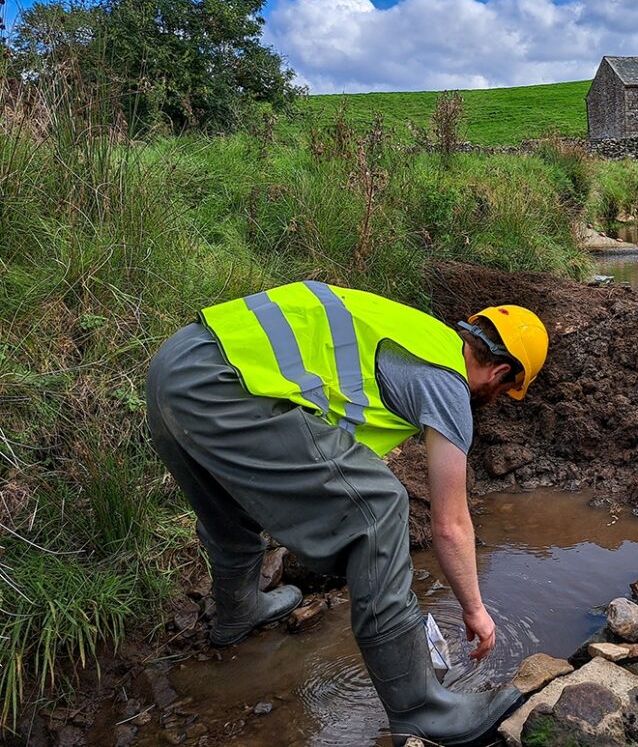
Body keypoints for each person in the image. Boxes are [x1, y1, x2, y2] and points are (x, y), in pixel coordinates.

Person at [144, 280, 549, 745]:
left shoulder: (417, 332)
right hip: (224, 385)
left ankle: (239, 610)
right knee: (378, 508)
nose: (495, 400)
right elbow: (450, 524)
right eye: (506, 390)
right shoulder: (446, 382)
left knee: (227, 504)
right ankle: (422, 709)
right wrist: (475, 610)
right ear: (500, 372)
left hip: (175, 365)